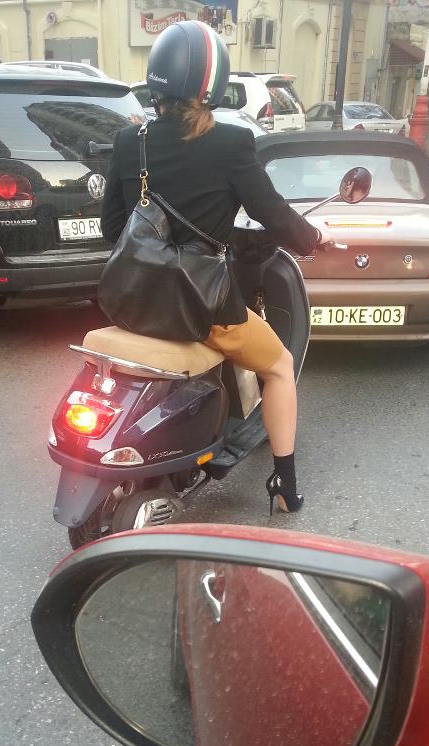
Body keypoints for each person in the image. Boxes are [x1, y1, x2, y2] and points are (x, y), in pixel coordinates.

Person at [101, 20, 332, 515]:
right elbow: (273, 213)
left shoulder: (128, 143)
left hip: (134, 304)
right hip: (203, 310)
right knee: (279, 366)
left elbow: (112, 230)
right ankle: (285, 486)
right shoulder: (230, 143)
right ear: (213, 83)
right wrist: (311, 239)